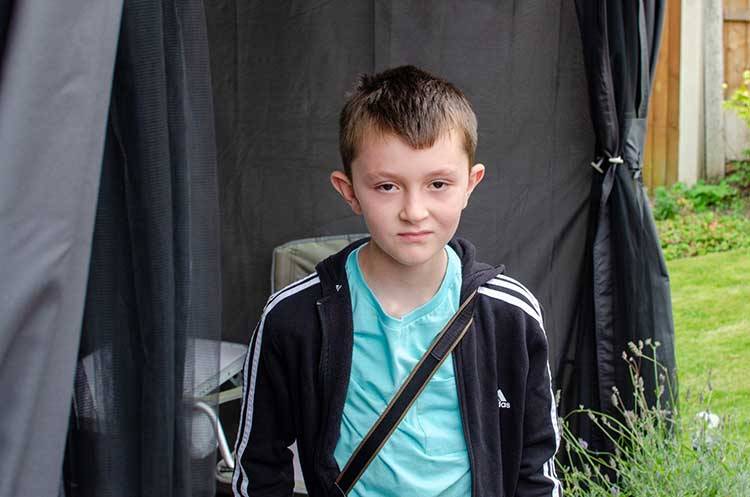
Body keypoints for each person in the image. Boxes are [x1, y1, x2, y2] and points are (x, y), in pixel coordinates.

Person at [232, 65, 561, 497]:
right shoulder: (292, 318)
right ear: (349, 190)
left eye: (438, 183)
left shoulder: (509, 314)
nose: (414, 211)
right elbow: (258, 468)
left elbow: (535, 468)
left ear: (470, 184)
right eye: (387, 187)